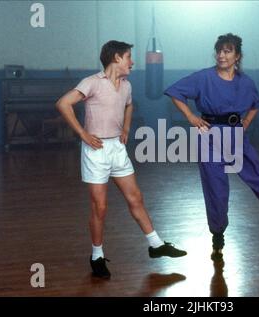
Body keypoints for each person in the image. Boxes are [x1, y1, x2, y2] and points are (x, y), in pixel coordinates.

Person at [164, 33, 259, 261]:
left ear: (237, 56)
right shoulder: (203, 77)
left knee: (257, 177)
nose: (222, 55)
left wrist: (246, 123)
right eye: (219, 50)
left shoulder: (246, 82)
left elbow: (256, 104)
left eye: (227, 51)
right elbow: (175, 92)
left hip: (236, 136)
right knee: (216, 188)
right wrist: (191, 117)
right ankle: (217, 234)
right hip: (209, 136)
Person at [56, 40, 186, 279]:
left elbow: (128, 107)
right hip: (96, 151)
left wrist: (126, 128)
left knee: (135, 197)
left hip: (117, 147)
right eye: (129, 57)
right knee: (100, 207)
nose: (133, 62)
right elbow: (63, 104)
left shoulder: (126, 86)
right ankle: (96, 257)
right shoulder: (92, 82)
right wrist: (83, 134)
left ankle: (156, 245)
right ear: (116, 58)